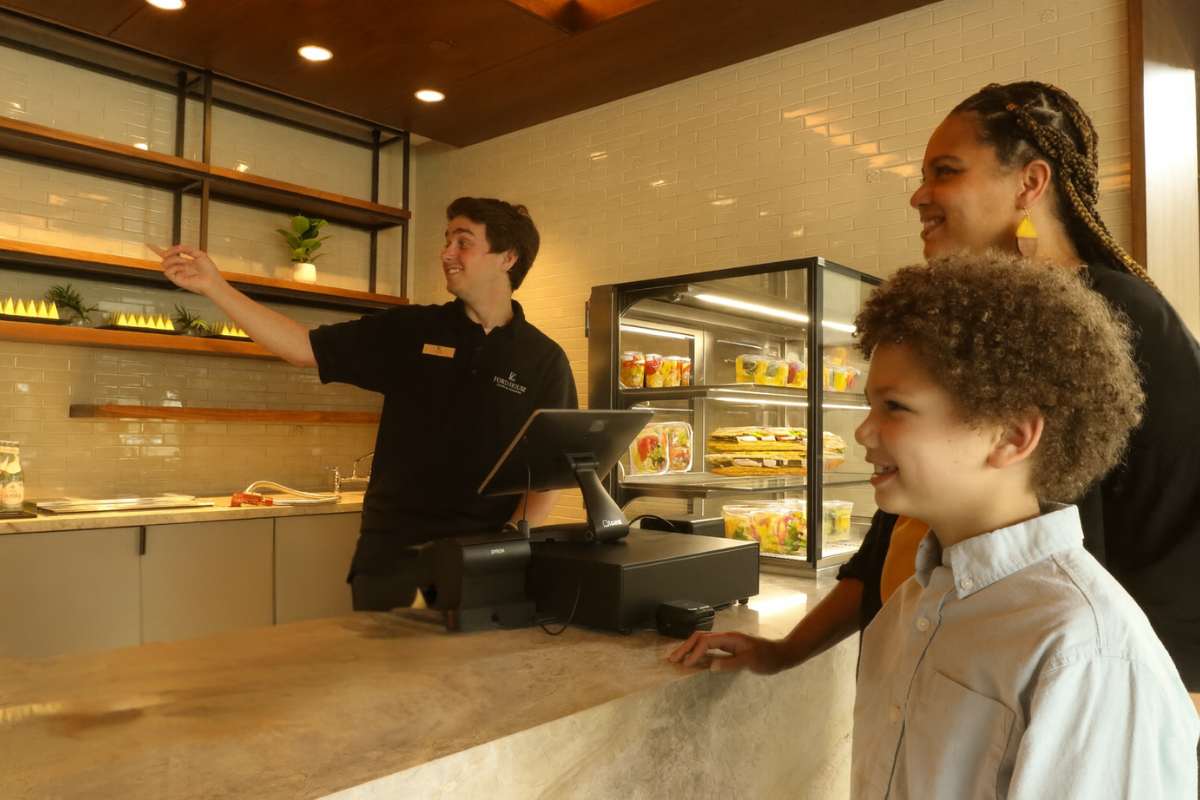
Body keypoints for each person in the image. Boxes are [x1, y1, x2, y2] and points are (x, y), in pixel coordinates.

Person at [671, 81, 1200, 703]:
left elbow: (1172, 538)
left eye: (945, 173)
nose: (918, 195)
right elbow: (894, 542)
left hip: (1055, 694)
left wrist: (1158, 709)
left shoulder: (1115, 315)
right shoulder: (966, 321)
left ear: (1030, 183)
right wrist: (787, 650)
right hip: (923, 679)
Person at [699, 251, 1200, 796]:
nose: (864, 432)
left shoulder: (1083, 654)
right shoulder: (903, 616)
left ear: (1012, 436)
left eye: (894, 407)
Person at [152, 197, 578, 611]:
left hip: (485, 557)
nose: (447, 252)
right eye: (447, 240)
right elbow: (303, 347)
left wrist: (509, 538)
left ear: (508, 258)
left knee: (469, 681)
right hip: (393, 553)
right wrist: (214, 286)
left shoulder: (543, 359)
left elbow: (549, 474)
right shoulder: (410, 329)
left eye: (463, 242)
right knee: (385, 677)